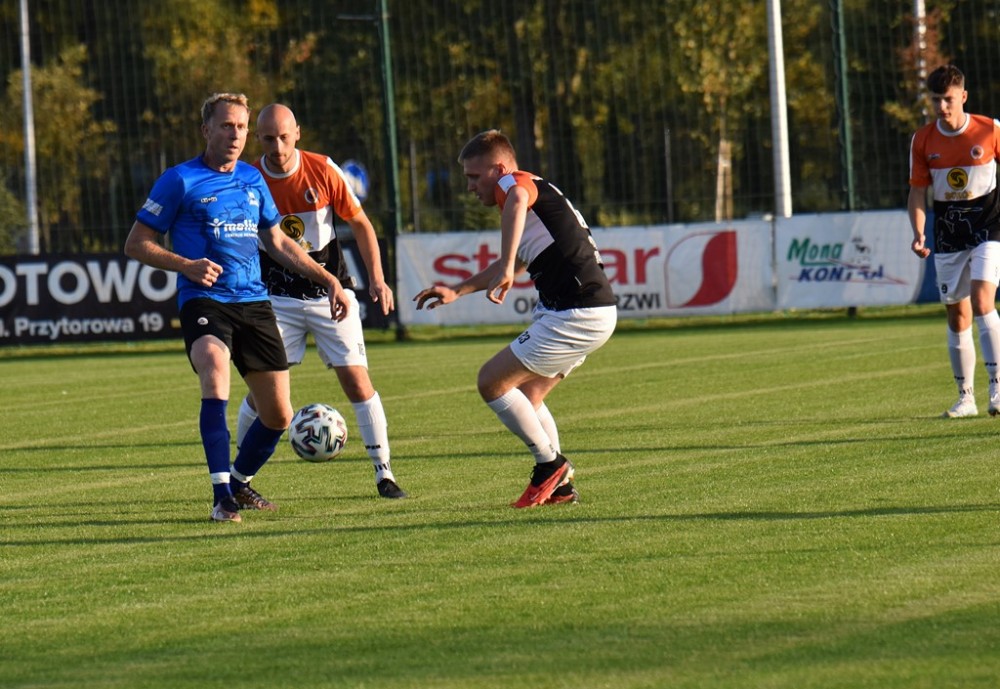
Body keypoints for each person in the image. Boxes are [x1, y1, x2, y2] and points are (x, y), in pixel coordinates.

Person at [124, 93, 350, 522]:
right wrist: (186, 265)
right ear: (206, 130)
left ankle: (239, 482)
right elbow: (136, 244)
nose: (235, 134)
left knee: (279, 415)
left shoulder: (252, 178)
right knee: (214, 365)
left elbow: (278, 241)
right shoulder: (179, 180)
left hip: (254, 301)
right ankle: (221, 498)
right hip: (205, 299)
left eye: (242, 127)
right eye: (226, 126)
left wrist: (329, 279)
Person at [413, 129, 617, 507]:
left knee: (491, 381)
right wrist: (458, 290)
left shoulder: (515, 184)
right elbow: (518, 261)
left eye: (475, 177)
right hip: (590, 311)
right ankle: (560, 488)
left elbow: (517, 202)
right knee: (527, 395)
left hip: (576, 311)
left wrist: (507, 265)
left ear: (499, 169)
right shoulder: (536, 203)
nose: (470, 187)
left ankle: (549, 465)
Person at [234, 103, 407, 499]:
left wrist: (377, 279)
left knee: (357, 381)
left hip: (332, 295)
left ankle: (384, 474)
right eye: (268, 139)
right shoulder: (247, 179)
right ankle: (239, 480)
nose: (277, 147)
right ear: (257, 139)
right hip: (275, 299)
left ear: (297, 132)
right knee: (263, 393)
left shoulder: (323, 169)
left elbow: (360, 223)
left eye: (284, 137)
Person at [908, 64, 1000, 418]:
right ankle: (966, 397)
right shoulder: (922, 140)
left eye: (948, 99)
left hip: (989, 226)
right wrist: (919, 232)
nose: (942, 106)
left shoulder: (989, 129)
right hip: (948, 232)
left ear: (963, 96)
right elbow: (918, 192)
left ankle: (997, 388)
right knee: (956, 313)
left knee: (982, 299)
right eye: (936, 100)